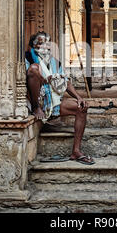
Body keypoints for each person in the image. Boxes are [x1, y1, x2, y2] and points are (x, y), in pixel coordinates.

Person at [25, 32, 95, 165]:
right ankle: (36, 108)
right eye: (40, 43)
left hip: (54, 103)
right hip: (37, 102)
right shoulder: (27, 58)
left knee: (81, 107)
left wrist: (79, 98)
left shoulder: (54, 62)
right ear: (33, 46)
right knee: (34, 69)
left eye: (47, 43)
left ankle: (76, 151)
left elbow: (66, 82)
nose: (44, 47)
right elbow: (29, 78)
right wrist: (46, 80)